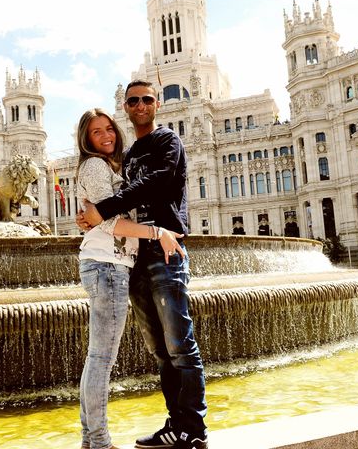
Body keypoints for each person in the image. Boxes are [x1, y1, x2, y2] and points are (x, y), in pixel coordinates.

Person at [81, 80, 208, 449]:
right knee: (160, 349)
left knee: (180, 345)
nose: (140, 105)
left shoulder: (168, 141)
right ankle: (175, 423)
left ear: (157, 105)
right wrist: (93, 214)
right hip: (133, 258)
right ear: (126, 105)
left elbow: (158, 181)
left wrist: (102, 210)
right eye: (133, 100)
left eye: (147, 99)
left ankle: (193, 427)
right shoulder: (130, 152)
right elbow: (115, 197)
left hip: (165, 253)